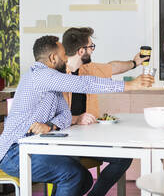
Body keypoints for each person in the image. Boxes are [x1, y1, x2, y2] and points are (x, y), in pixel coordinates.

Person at [0, 36, 154, 196]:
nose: (66, 59)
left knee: (86, 177)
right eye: (63, 55)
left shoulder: (52, 82)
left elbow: (65, 114)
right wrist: (129, 85)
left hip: (38, 145)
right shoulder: (40, 76)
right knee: (74, 176)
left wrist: (50, 126)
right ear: (53, 58)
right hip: (14, 152)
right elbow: (84, 84)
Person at [61, 27, 148, 195]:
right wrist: (77, 119)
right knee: (72, 175)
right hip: (65, 142)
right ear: (81, 50)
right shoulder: (57, 76)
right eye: (91, 47)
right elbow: (53, 117)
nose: (92, 50)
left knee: (123, 157)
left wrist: (134, 63)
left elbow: (111, 67)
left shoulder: (87, 69)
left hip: (88, 137)